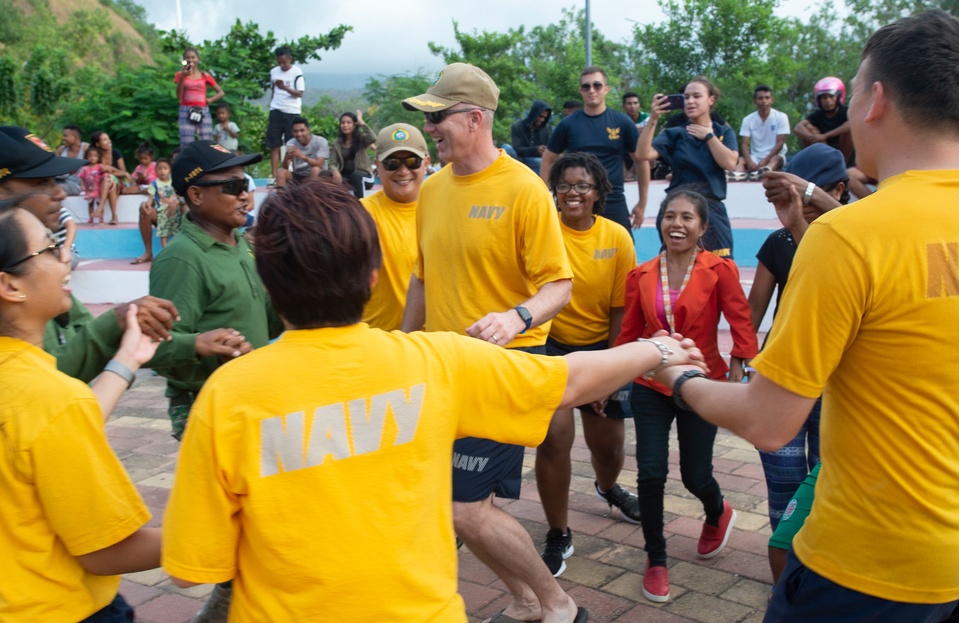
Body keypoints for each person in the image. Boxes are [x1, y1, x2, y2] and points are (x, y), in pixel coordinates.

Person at [161, 177, 705, 621]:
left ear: (267, 280)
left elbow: (191, 566)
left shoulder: (228, 396)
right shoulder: (433, 361)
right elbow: (567, 380)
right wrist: (656, 349)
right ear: (373, 277)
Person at [659, 11, 959, 621]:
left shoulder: (850, 236)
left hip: (866, 563)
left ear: (876, 101)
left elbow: (768, 422)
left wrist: (679, 379)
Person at [400, 62, 581, 623]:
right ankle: (525, 600)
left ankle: (557, 604)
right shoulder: (431, 191)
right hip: (443, 367)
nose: (431, 131)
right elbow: (423, 280)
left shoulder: (525, 189)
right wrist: (400, 345)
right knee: (459, 504)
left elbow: (561, 283)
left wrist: (517, 316)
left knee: (462, 507)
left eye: (438, 119)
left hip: (506, 364)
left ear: (475, 119)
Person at [0, 201, 163, 622]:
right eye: (51, 249)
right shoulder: (48, 398)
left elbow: (45, 434)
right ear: (10, 286)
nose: (65, 257)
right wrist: (223, 530)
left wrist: (126, 360)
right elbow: (105, 552)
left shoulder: (26, 387)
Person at [149, 139, 281, 622]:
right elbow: (155, 346)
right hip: (209, 412)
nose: (246, 194)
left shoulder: (239, 246)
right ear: (195, 196)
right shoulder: (182, 259)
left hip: (254, 406)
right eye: (231, 185)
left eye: (247, 183)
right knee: (245, 539)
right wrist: (196, 344)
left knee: (254, 538)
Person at [614, 187, 758, 603]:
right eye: (669, 216)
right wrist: (610, 377)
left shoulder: (720, 270)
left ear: (702, 227)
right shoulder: (641, 274)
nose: (676, 224)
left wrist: (738, 364)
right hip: (650, 383)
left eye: (686, 218)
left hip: (700, 385)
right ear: (660, 223)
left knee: (696, 475)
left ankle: (717, 511)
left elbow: (741, 319)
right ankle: (655, 558)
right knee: (650, 472)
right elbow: (629, 333)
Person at [0, 125, 183, 387]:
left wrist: (195, 344)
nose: (60, 192)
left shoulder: (37, 263)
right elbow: (38, 388)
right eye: (43, 182)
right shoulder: (25, 267)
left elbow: (79, 340)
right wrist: (116, 323)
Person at [535, 152, 639, 577]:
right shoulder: (542, 232)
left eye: (583, 186)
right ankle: (558, 532)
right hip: (553, 349)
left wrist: (610, 374)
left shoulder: (616, 238)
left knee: (609, 448)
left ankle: (608, 487)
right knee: (554, 439)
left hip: (601, 350)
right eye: (564, 185)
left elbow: (622, 311)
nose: (572, 193)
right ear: (554, 191)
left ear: (599, 193)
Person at [746, 143, 847, 532]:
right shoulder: (779, 242)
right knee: (784, 490)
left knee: (828, 486)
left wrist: (809, 198)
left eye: (806, 192)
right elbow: (753, 312)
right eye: (788, 192)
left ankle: (815, 577)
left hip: (837, 382)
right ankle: (784, 583)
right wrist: (741, 360)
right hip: (782, 376)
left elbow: (833, 258)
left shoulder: (857, 238)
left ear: (837, 190)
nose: (797, 202)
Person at [636, 77, 740, 259]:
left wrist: (709, 136)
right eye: (686, 97)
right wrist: (653, 118)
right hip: (678, 205)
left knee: (720, 266)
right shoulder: (675, 133)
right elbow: (643, 154)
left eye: (697, 96)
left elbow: (730, 163)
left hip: (711, 209)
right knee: (677, 265)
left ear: (711, 99)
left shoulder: (723, 132)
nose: (690, 101)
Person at [542, 66, 649, 236]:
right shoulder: (568, 124)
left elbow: (641, 160)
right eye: (586, 86)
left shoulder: (622, 122)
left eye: (597, 85)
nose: (591, 90)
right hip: (576, 200)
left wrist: (642, 203)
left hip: (613, 200)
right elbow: (548, 159)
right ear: (581, 91)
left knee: (624, 252)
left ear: (606, 89)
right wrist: (547, 198)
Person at [360, 123, 429, 331]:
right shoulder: (360, 215)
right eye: (392, 163)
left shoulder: (445, 209)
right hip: (377, 344)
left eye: (411, 161)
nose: (403, 171)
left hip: (432, 344)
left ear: (427, 162)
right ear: (377, 166)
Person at [733, 85, 789, 181]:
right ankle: (735, 177)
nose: (764, 101)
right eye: (760, 98)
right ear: (754, 101)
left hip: (773, 156)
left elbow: (780, 142)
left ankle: (764, 172)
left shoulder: (781, 117)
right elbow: (744, 144)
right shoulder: (748, 120)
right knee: (741, 160)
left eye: (767, 98)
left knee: (776, 159)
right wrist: (749, 161)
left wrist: (766, 160)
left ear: (772, 100)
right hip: (755, 157)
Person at [132, 158, 180, 264]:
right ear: (156, 171)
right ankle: (149, 253)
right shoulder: (155, 184)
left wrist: (178, 201)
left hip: (179, 214)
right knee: (144, 210)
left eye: (165, 168)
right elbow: (151, 198)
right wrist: (146, 205)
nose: (162, 171)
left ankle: (180, 254)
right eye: (160, 169)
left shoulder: (177, 180)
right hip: (162, 213)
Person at [267, 46, 305, 179]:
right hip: (276, 110)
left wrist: (285, 88)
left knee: (291, 145)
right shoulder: (274, 72)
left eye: (284, 62)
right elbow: (273, 91)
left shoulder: (297, 72)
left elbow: (300, 93)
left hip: (292, 111)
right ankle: (274, 176)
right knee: (274, 145)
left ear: (290, 59)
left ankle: (293, 175)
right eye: (279, 62)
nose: (282, 65)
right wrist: (271, 105)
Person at [793, 76, 852, 161]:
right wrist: (812, 137)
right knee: (808, 127)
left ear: (838, 97)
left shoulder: (846, 111)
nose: (828, 100)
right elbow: (798, 127)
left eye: (831, 97)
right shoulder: (818, 114)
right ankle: (825, 161)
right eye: (824, 97)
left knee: (849, 130)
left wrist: (825, 136)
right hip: (823, 147)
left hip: (843, 150)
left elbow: (851, 124)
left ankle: (842, 163)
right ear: (819, 99)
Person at [176, 47, 225, 146]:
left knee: (206, 138)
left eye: (193, 57)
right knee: (186, 140)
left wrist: (210, 100)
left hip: (202, 110)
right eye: (187, 58)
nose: (191, 60)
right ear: (184, 60)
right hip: (186, 109)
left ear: (198, 59)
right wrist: (182, 77)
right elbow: (178, 95)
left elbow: (221, 92)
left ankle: (206, 160)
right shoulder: (180, 75)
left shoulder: (204, 76)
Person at [330, 110, 377, 198]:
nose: (345, 125)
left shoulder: (361, 138)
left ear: (355, 125)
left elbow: (373, 138)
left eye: (348, 122)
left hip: (364, 176)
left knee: (355, 176)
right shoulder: (337, 143)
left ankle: (361, 205)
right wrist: (335, 171)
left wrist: (361, 121)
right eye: (343, 123)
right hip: (347, 176)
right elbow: (332, 163)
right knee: (325, 175)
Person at [276, 116, 331, 187]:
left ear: (308, 130)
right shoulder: (291, 143)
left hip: (318, 174)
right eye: (296, 131)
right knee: (281, 172)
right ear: (292, 132)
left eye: (302, 130)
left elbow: (319, 164)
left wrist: (302, 157)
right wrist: (287, 158)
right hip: (299, 175)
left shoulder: (320, 141)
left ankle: (312, 195)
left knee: (315, 169)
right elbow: (285, 167)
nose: (299, 134)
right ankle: (281, 196)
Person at [90, 130, 128, 225]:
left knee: (108, 178)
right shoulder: (95, 156)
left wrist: (110, 169)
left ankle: (100, 208)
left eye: (108, 139)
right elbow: (98, 171)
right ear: (98, 144)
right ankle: (114, 216)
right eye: (105, 140)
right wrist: (112, 171)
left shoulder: (115, 153)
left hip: (117, 183)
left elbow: (124, 173)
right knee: (108, 179)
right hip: (100, 184)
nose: (108, 141)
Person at [508, 99, 553, 173]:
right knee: (506, 147)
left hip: (535, 161)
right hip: (519, 158)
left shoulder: (544, 130)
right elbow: (516, 149)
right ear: (535, 114)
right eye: (540, 116)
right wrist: (535, 150)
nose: (542, 120)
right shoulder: (518, 126)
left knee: (542, 162)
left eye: (544, 118)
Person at [54, 123, 88, 195]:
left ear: (76, 137)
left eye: (65, 136)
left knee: (57, 189)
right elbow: (53, 166)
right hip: (59, 180)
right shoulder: (61, 149)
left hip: (76, 184)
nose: (63, 138)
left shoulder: (85, 148)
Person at [79, 145, 104, 223]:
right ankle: (91, 218)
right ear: (86, 157)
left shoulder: (100, 167)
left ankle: (101, 218)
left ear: (98, 157)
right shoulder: (84, 168)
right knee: (90, 204)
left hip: (98, 189)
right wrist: (82, 185)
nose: (92, 158)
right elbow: (82, 178)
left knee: (99, 203)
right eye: (90, 156)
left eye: (95, 156)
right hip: (89, 190)